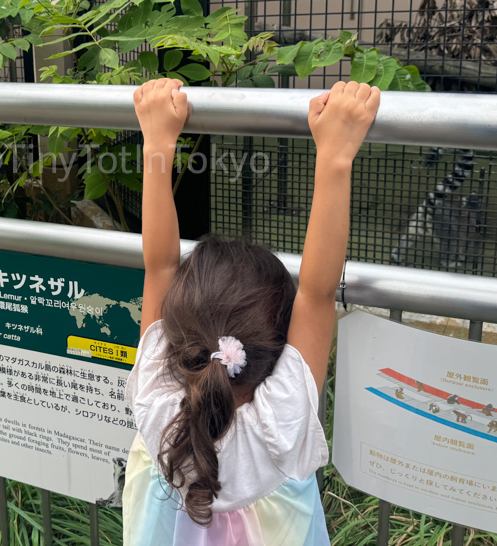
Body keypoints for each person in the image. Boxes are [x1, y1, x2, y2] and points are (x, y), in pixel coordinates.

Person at [123, 78, 381, 546]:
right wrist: (335, 154)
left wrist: (157, 143)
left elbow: (159, 264)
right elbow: (320, 293)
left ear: (173, 338)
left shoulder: (157, 402)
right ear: (277, 344)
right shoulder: (280, 426)